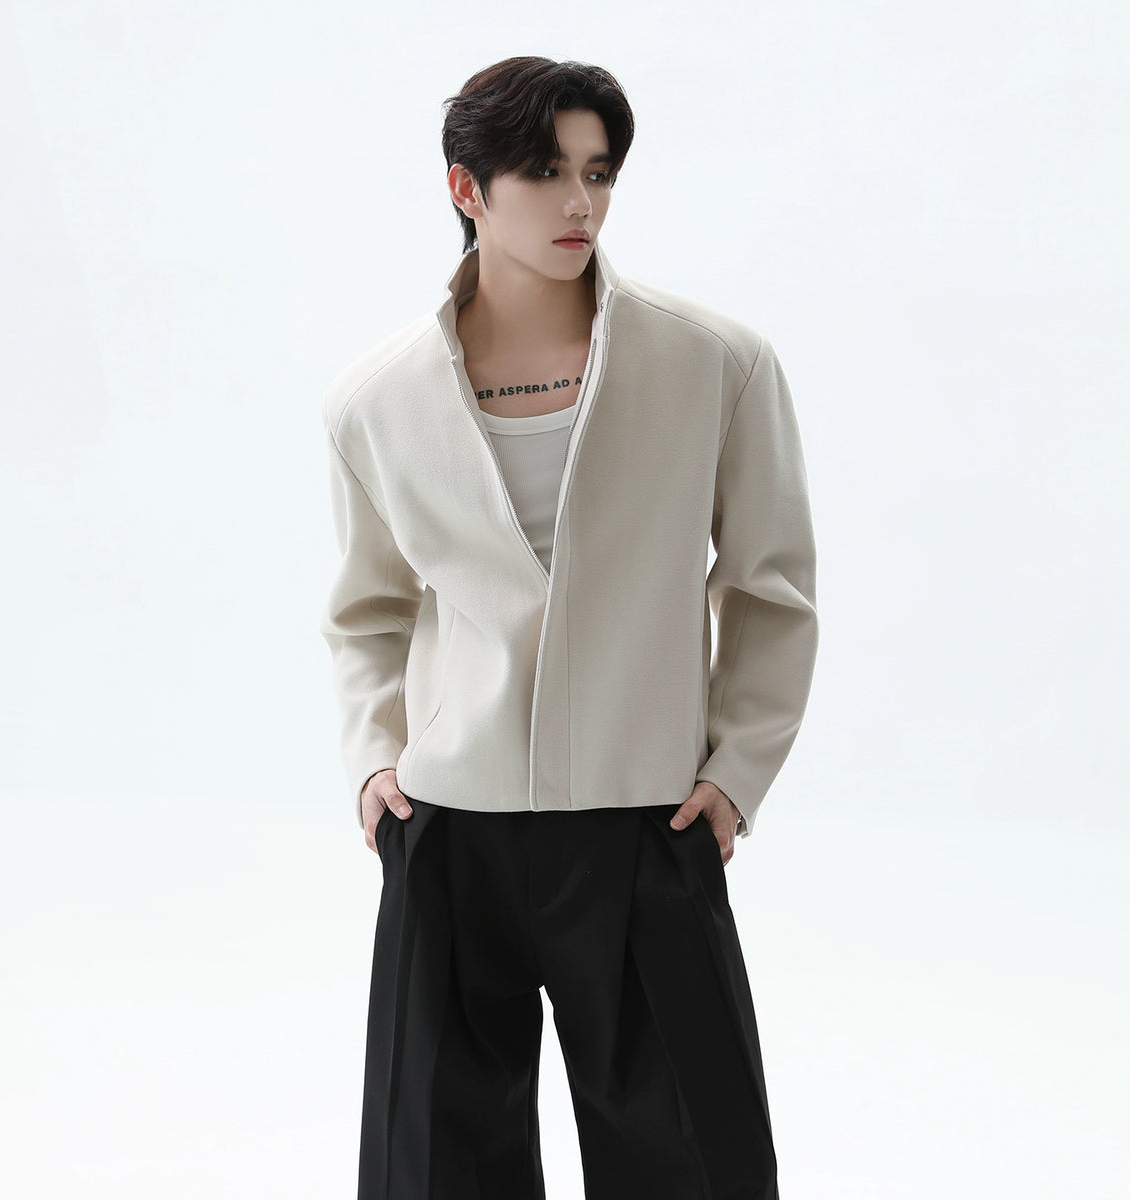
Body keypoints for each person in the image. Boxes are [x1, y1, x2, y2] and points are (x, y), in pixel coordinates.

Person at [320, 55, 817, 1200]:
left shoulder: (715, 365)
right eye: (545, 172)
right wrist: (374, 764)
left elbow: (770, 587)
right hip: (448, 828)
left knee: (693, 1162)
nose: (580, 201)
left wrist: (736, 773)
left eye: (598, 172)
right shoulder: (374, 401)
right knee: (433, 1168)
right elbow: (366, 611)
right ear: (467, 188)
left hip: (648, 823)